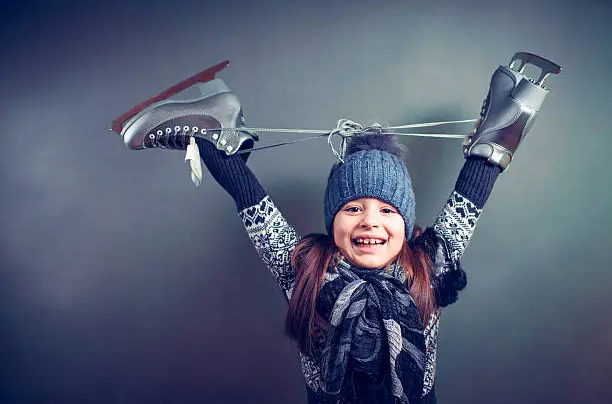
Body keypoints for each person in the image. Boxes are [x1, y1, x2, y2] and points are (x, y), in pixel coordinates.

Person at [114, 58, 543, 402]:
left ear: (407, 225)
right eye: (353, 207)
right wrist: (215, 143)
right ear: (332, 221)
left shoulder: (427, 264)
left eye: (387, 210)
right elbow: (254, 206)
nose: (370, 220)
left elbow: (469, 199)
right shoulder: (306, 268)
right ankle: (218, 121)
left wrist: (499, 137)